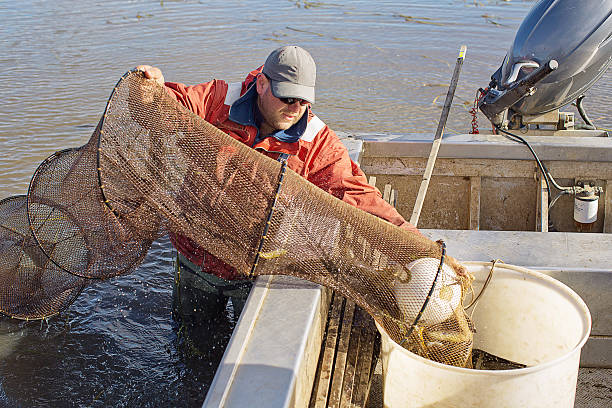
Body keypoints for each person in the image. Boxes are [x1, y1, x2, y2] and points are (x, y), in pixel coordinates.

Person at [136, 45, 448, 330]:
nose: (295, 107)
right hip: (196, 258)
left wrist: (417, 246)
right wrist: (151, 89)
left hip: (256, 268)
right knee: (193, 345)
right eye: (287, 97)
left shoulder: (317, 142)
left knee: (250, 351)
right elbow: (167, 106)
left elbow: (359, 198)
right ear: (261, 84)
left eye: (303, 100)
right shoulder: (216, 101)